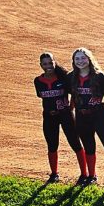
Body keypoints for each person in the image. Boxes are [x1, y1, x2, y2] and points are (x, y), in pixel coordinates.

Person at [69, 47, 104, 188]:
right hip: (82, 115)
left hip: (99, 115)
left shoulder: (100, 76)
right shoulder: (71, 77)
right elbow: (73, 96)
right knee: (89, 147)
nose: (80, 61)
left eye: (83, 58)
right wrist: (72, 109)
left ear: (89, 59)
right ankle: (91, 176)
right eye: (77, 59)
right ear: (74, 61)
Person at [34, 52, 86, 183]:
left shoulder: (63, 78)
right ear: (41, 65)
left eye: (50, 62)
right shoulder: (38, 81)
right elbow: (41, 96)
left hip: (65, 115)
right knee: (52, 145)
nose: (48, 66)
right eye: (45, 64)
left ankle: (84, 174)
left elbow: (74, 94)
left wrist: (71, 108)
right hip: (49, 116)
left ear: (54, 62)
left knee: (75, 143)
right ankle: (54, 174)